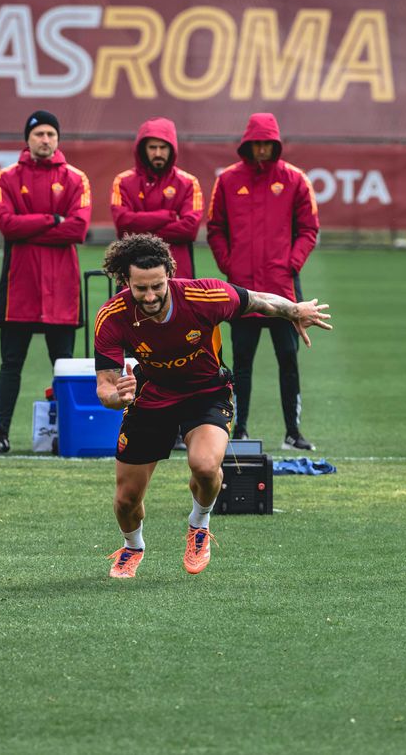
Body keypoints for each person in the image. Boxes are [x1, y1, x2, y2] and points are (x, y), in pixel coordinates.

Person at [93, 234, 332, 579]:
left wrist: (294, 310)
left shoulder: (204, 296)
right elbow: (105, 387)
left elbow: (259, 301)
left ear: (169, 275)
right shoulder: (113, 315)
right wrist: (119, 397)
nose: (150, 296)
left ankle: (199, 524)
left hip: (206, 392)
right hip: (151, 396)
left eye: (157, 286)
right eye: (141, 288)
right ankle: (133, 547)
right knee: (126, 500)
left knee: (205, 466)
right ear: (125, 281)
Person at [206, 112, 320, 451]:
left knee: (288, 359)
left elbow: (309, 229)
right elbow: (215, 228)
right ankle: (239, 430)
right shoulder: (228, 180)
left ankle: (293, 433)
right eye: (256, 144)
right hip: (243, 291)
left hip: (284, 288)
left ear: (276, 145)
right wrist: (229, 265)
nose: (261, 150)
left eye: (267, 144)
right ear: (247, 144)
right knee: (241, 363)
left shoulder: (295, 179)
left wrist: (291, 265)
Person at [0, 109, 91, 453]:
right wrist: (53, 219)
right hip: (19, 287)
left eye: (50, 134)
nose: (45, 140)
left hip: (62, 289)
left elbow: (78, 229)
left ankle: (68, 432)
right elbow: (7, 226)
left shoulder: (76, 178)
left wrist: (30, 226)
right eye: (39, 134)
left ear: (58, 139)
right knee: (11, 363)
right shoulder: (6, 177)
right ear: (28, 139)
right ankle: (1, 432)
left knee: (63, 365)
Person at [110, 117, 204, 278]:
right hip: (133, 274)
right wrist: (169, 216)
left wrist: (139, 230)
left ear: (172, 149)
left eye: (163, 147)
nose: (158, 153)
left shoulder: (188, 182)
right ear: (143, 149)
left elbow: (189, 229)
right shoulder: (123, 181)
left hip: (178, 274)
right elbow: (123, 224)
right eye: (152, 147)